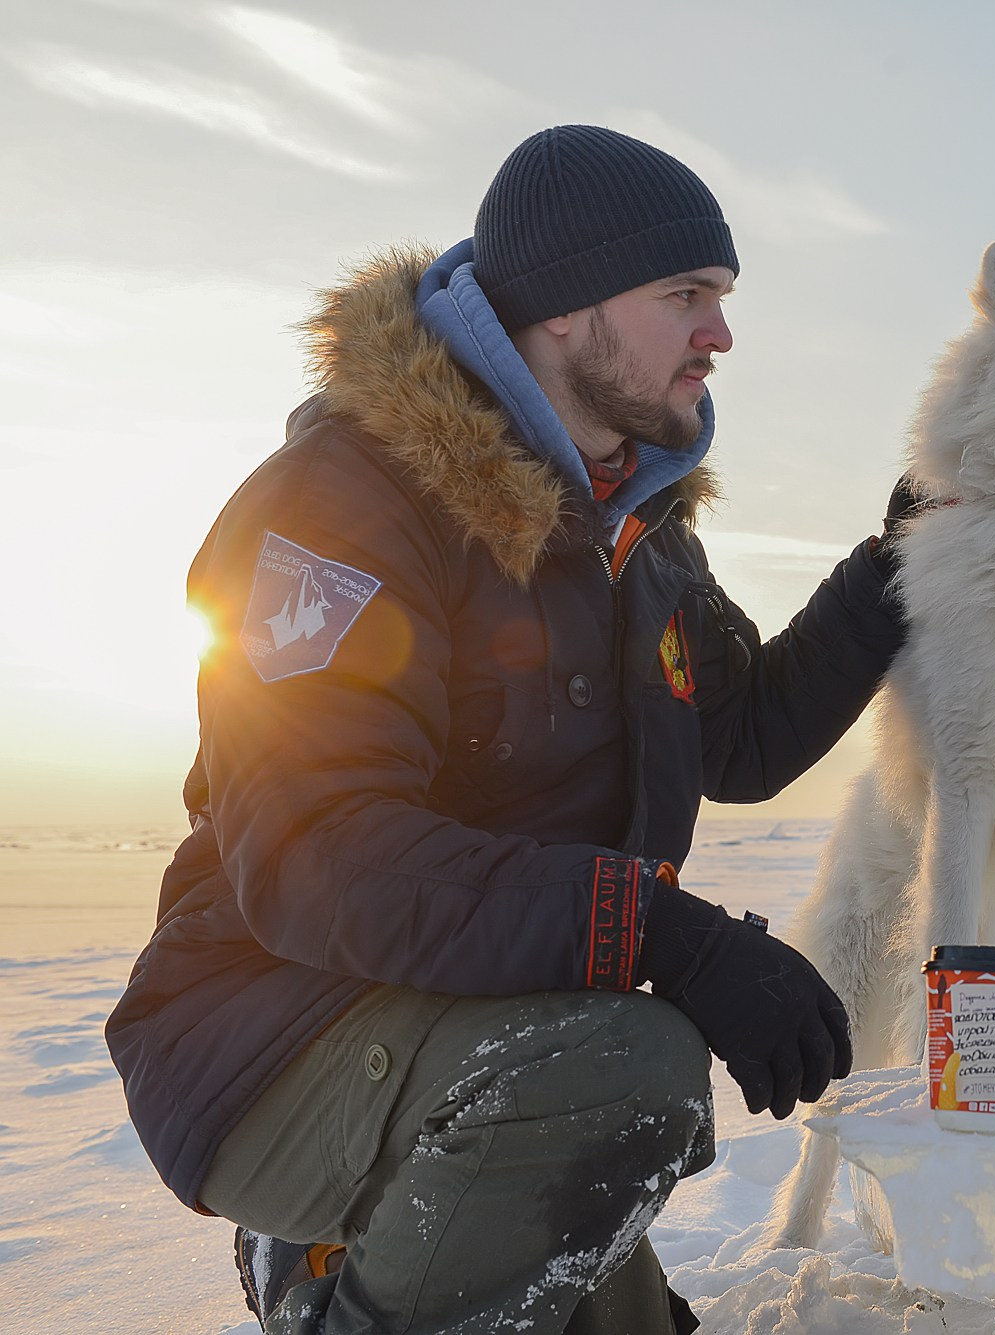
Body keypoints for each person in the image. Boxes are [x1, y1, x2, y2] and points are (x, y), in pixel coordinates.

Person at [105, 124, 912, 1334]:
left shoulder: (635, 530)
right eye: (684, 295)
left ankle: (347, 1260)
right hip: (270, 1036)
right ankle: (318, 1263)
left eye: (723, 296)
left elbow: (737, 738)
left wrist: (894, 566)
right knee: (623, 1073)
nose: (721, 334)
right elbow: (322, 853)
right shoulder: (341, 506)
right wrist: (663, 934)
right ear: (562, 308)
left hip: (497, 1025)